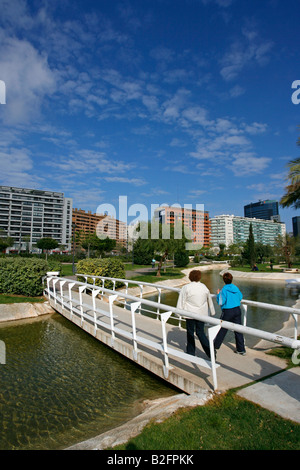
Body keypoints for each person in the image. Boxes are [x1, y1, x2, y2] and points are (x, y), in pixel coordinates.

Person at [176, 270, 215, 359]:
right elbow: (209, 299)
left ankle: (191, 351)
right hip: (201, 313)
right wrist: (212, 311)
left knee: (190, 332)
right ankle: (211, 351)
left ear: (190, 277)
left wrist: (178, 313)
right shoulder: (204, 287)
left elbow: (181, 300)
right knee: (200, 332)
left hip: (189, 313)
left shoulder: (186, 287)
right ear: (199, 277)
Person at [214, 272, 246, 355]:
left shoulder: (224, 289)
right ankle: (241, 349)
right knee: (238, 329)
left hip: (228, 311)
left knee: (223, 329)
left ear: (224, 280)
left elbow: (221, 302)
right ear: (232, 279)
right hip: (237, 310)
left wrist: (218, 294)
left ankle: (215, 347)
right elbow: (240, 297)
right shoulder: (235, 287)